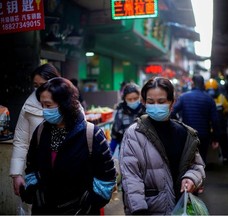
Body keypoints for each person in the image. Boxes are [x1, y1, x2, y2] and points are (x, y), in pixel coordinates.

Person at [21, 77, 116, 215]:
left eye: (48, 105)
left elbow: (107, 176)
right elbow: (31, 166)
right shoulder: (40, 131)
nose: (44, 111)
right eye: (42, 105)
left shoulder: (91, 134)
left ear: (64, 104)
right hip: (45, 209)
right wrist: (36, 193)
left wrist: (88, 204)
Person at [119, 77, 205, 215]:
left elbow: (197, 166)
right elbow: (131, 177)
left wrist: (191, 178)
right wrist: (139, 210)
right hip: (150, 209)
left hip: (181, 207)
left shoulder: (184, 133)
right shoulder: (134, 134)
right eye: (150, 102)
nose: (156, 106)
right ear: (144, 102)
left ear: (172, 103)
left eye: (161, 101)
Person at [10, 63, 60, 196]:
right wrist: (16, 174)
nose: (39, 90)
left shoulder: (70, 103)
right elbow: (21, 141)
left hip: (66, 170)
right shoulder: (29, 105)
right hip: (38, 172)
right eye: (36, 85)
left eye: (43, 85)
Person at [171, 74, 220, 164]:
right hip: (204, 136)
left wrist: (177, 125)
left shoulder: (183, 97)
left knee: (188, 160)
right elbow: (215, 120)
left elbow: (172, 112)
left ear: (192, 84)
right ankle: (200, 176)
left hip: (188, 135)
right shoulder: (209, 99)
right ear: (203, 85)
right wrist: (215, 138)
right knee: (201, 160)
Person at [109, 83, 146, 155]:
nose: (132, 101)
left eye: (135, 98)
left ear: (140, 97)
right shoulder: (120, 113)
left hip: (145, 152)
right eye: (129, 99)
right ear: (125, 99)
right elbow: (115, 136)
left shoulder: (146, 110)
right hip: (126, 152)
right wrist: (109, 155)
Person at [205, 78, 228, 163]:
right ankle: (225, 157)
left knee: (209, 143)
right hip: (220, 125)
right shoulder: (222, 98)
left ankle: (210, 159)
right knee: (223, 140)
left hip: (209, 125)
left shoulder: (205, 98)